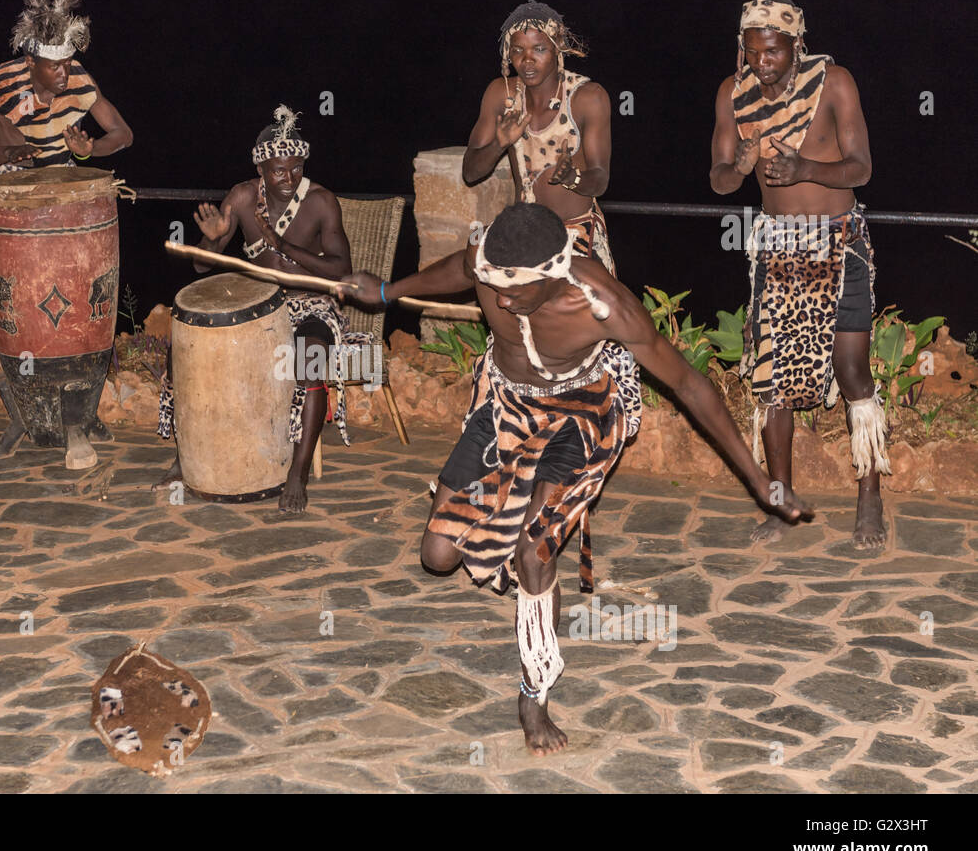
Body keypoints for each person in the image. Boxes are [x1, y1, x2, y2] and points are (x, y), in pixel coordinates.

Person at [338, 202, 810, 756]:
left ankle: (533, 690)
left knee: (535, 552)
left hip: (580, 412)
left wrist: (758, 479)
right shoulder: (491, 265)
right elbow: (460, 271)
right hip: (505, 404)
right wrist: (388, 291)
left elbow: (688, 383)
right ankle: (510, 522)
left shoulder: (603, 305)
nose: (501, 299)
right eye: (494, 286)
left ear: (555, 274)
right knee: (437, 556)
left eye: (516, 291)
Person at [709, 0, 886, 549]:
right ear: (743, 48)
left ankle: (871, 494)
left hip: (839, 240)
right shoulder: (731, 94)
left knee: (852, 370)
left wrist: (805, 167)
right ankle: (780, 499)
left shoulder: (834, 83)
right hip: (778, 246)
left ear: (796, 44)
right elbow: (719, 181)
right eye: (754, 51)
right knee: (774, 385)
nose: (764, 61)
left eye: (775, 51)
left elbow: (862, 167)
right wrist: (741, 159)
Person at [156, 106, 354, 513]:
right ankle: (184, 456)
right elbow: (200, 265)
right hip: (257, 307)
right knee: (183, 350)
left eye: (296, 169)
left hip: (310, 303)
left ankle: (297, 473)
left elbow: (342, 270)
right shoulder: (243, 197)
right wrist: (211, 241)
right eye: (278, 171)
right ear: (260, 167)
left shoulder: (321, 202)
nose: (288, 179)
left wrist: (284, 248)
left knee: (311, 358)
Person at [463, 0, 615, 272]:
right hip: (526, 231)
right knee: (471, 263)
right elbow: (471, 173)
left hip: (575, 232)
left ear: (557, 49)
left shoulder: (587, 98)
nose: (527, 60)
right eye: (518, 50)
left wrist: (573, 178)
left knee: (588, 303)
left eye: (539, 49)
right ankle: (387, 291)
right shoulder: (502, 95)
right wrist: (500, 143)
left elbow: (600, 179)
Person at [0, 0, 131, 173]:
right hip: (12, 178)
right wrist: (8, 153)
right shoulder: (4, 84)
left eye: (67, 63)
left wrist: (90, 149)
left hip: (61, 174)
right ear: (31, 62)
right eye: (54, 66)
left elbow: (124, 134)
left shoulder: (80, 81)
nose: (64, 73)